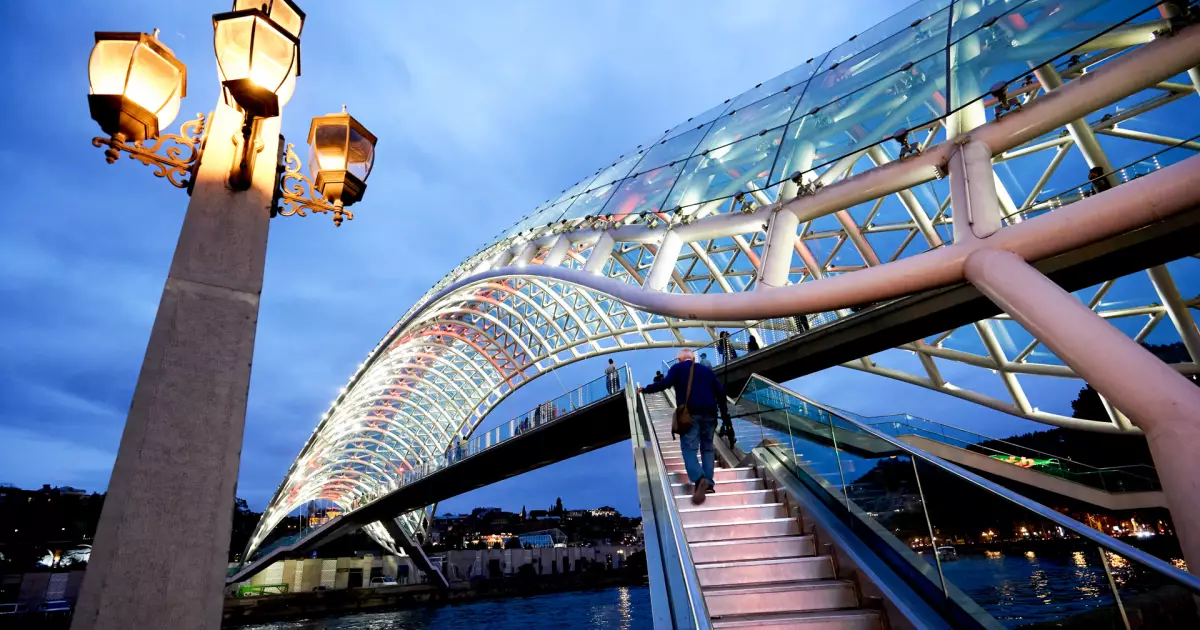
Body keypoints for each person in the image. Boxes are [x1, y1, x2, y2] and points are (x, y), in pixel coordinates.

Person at [641, 348, 730, 504]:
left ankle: (699, 478)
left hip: (690, 415)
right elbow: (721, 391)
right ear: (694, 359)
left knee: (689, 448)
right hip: (710, 414)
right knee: (708, 448)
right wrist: (724, 414)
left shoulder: (678, 368)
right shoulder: (706, 370)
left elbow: (665, 384)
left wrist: (646, 389)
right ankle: (708, 482)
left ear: (680, 359)